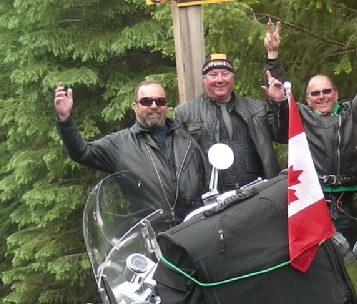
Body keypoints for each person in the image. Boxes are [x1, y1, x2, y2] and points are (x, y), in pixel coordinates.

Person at [263, 22, 357, 247]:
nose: (321, 97)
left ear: (336, 94)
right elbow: (279, 92)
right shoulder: (300, 116)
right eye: (315, 93)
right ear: (307, 98)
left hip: (344, 203)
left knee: (347, 257)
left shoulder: (351, 112)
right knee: (315, 256)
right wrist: (272, 55)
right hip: (311, 200)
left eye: (326, 91)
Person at [54, 80, 206, 224]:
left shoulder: (185, 138)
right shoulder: (120, 144)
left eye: (160, 101)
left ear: (166, 105)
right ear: (135, 107)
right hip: (152, 234)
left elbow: (206, 176)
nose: (154, 106)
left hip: (192, 228)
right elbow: (81, 152)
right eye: (146, 101)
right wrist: (65, 119)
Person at [174, 53, 284, 191]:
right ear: (204, 79)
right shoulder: (185, 113)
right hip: (213, 194)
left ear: (233, 77)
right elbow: (180, 162)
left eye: (225, 74)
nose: (220, 80)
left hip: (258, 191)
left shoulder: (257, 109)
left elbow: (283, 135)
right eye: (213, 75)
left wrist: (279, 103)